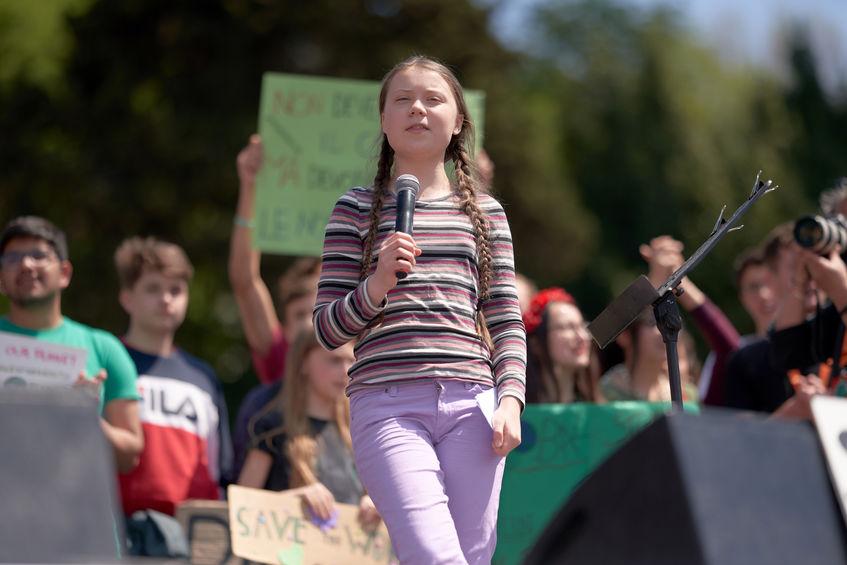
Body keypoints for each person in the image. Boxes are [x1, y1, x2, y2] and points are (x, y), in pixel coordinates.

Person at [312, 55, 525, 564]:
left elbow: (505, 318)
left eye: (433, 99)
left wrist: (511, 398)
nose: (418, 110)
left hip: (473, 403)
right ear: (384, 122)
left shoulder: (487, 214)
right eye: (402, 100)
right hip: (387, 406)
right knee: (435, 556)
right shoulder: (354, 208)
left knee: (472, 556)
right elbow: (326, 328)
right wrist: (378, 282)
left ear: (458, 123)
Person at [0, 216, 143, 472]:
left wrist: (86, 416)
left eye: (39, 255)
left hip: (73, 508)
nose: (26, 264)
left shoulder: (103, 348)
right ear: (1, 279)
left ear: (64, 273)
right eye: (12, 258)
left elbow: (129, 458)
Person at [113, 237, 233, 537]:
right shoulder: (107, 363)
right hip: (117, 529)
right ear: (127, 297)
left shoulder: (203, 377)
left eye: (175, 290)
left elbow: (221, 469)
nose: (166, 299)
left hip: (193, 535)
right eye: (153, 289)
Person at [229, 140, 321, 470]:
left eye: (318, 311)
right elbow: (244, 279)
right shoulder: (279, 355)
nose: (310, 325)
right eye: (299, 315)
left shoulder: (359, 365)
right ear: (283, 326)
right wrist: (250, 187)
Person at [238, 329, 380, 530]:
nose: (346, 371)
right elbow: (241, 508)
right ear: (303, 363)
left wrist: (376, 505)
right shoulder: (272, 428)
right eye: (334, 361)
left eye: (352, 361)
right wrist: (295, 498)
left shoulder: (362, 431)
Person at [523, 287, 604, 403]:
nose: (582, 337)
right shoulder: (517, 413)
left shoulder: (598, 412)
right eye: (567, 327)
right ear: (535, 343)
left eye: (582, 326)